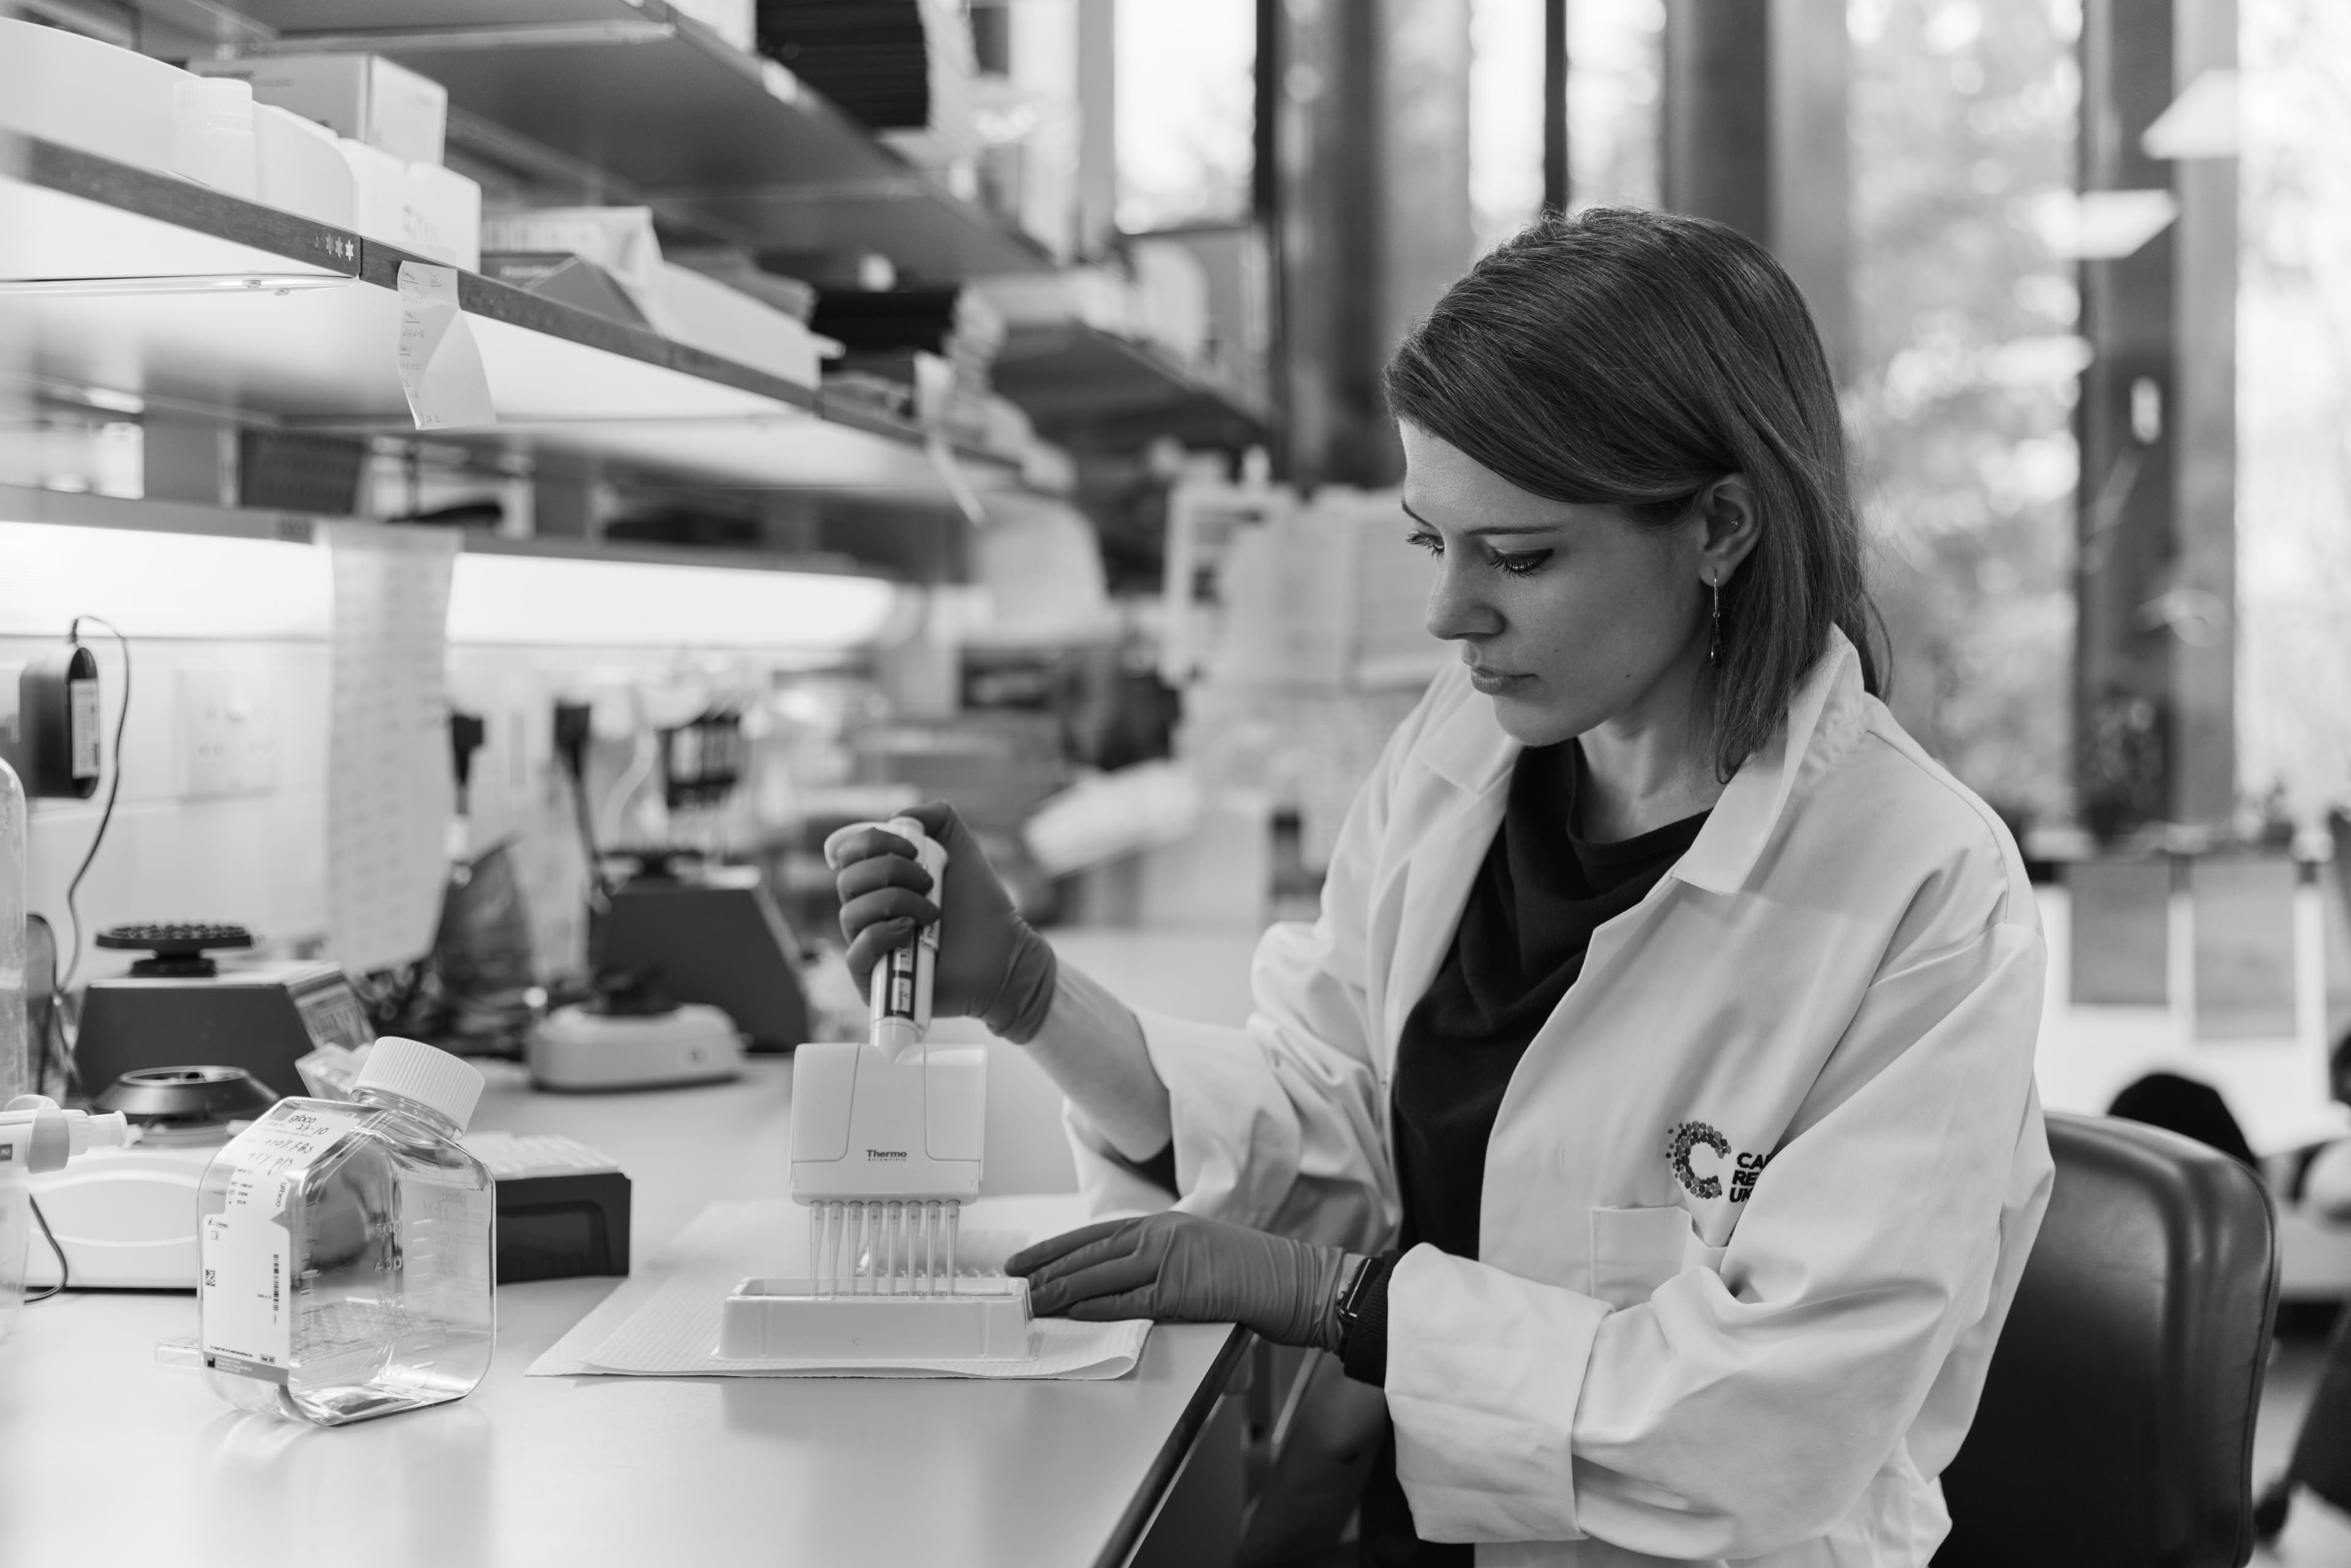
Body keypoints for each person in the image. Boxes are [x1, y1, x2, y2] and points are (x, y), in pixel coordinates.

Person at [830, 209, 2053, 1567]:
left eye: (1518, 557)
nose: (1449, 613)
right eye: (1433, 542)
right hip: (1408, 1528)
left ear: (1719, 526)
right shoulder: (1463, 751)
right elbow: (1327, 1117)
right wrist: (1036, 999)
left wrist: (1341, 1303)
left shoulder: (1926, 892)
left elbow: (1763, 1421)